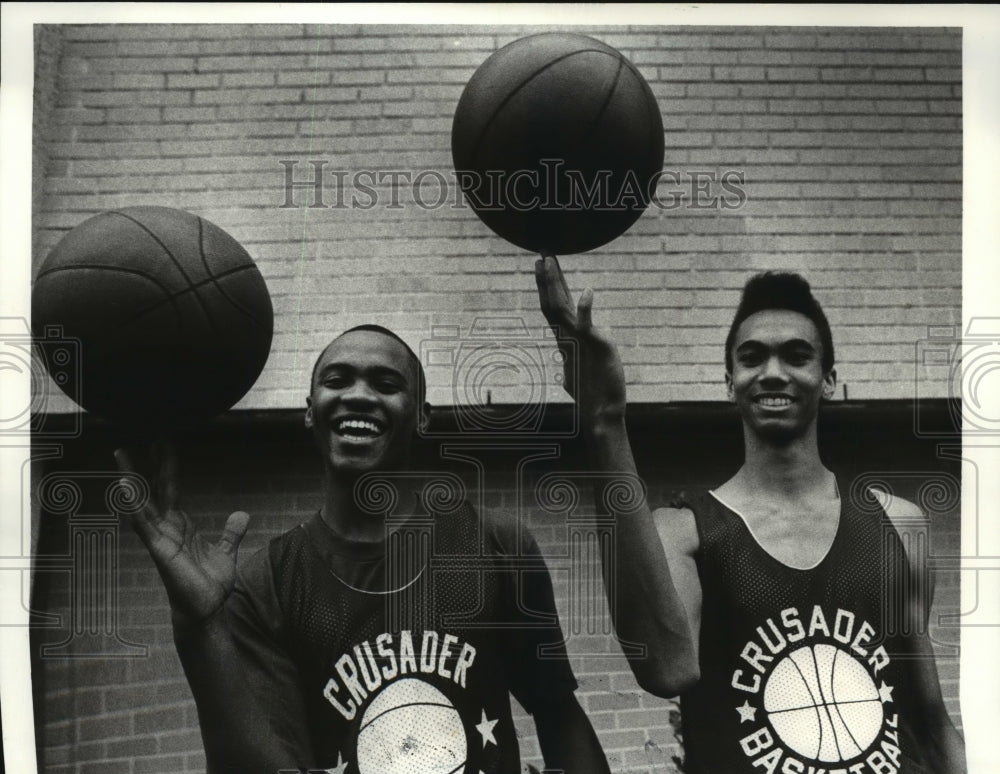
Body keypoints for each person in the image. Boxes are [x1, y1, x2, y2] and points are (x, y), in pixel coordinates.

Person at [535, 257, 966, 774]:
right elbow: (666, 669)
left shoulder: (901, 524)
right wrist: (605, 421)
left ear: (828, 379)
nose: (773, 373)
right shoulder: (683, 532)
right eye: (753, 357)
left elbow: (929, 719)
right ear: (730, 380)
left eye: (797, 356)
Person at [116, 324, 610, 774]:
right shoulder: (267, 581)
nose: (358, 395)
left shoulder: (496, 543)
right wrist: (201, 630)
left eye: (386, 384)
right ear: (310, 410)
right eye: (337, 380)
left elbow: (558, 711)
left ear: (422, 416)